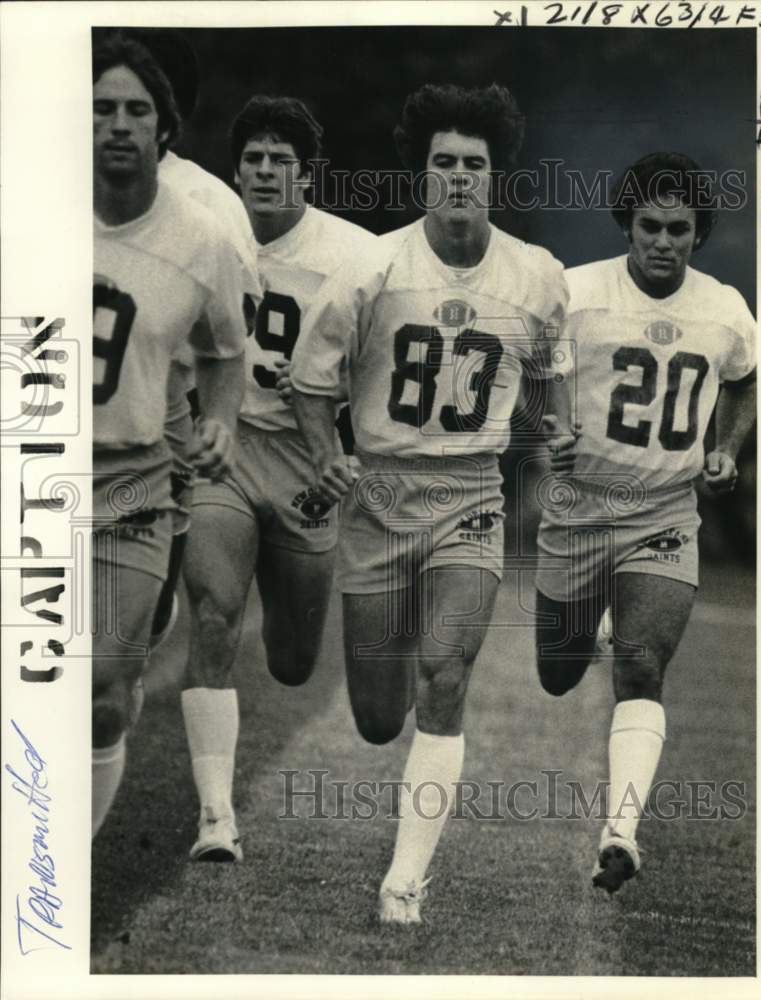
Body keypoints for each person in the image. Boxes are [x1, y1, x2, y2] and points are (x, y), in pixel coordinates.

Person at [291, 83, 570, 923]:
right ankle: (401, 724)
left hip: (468, 495)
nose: (457, 178)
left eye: (472, 166)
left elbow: (551, 377)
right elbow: (310, 385)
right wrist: (328, 454)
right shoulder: (368, 268)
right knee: (379, 717)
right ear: (422, 173)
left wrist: (558, 434)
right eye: (443, 163)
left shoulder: (536, 276)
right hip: (378, 493)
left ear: (494, 177)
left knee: (444, 674)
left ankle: (403, 879)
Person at [534, 152, 757, 893]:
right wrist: (552, 428)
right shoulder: (577, 292)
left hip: (663, 511)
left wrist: (724, 449)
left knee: (641, 667)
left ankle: (619, 831)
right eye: (649, 227)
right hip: (580, 510)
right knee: (558, 672)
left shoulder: (723, 307)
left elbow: (744, 378)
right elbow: (541, 373)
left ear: (698, 235)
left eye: (679, 229)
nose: (662, 242)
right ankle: (590, 630)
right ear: (626, 226)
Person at [180, 95, 376, 862]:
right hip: (225, 451)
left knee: (292, 662)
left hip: (305, 467)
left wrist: (347, 452)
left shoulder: (353, 257)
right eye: (254, 159)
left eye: (280, 161)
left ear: (307, 176)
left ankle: (282, 619)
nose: (265, 172)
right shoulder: (204, 238)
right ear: (236, 171)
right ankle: (215, 817)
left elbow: (380, 371)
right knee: (213, 612)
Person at [91, 36, 252, 837]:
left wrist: (219, 419)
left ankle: (52, 877)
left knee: (100, 690)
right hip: (29, 466)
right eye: (100, 109)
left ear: (165, 127)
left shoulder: (205, 233)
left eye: (135, 110)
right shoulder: (24, 210)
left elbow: (228, 349)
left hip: (135, 471)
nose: (117, 126)